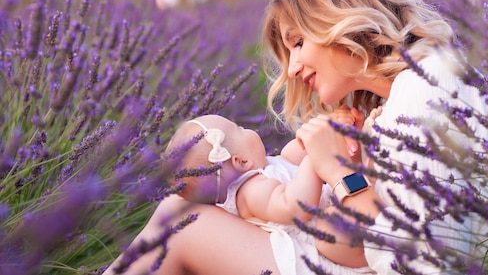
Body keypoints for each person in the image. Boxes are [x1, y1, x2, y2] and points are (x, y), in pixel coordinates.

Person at [104, 0, 488, 275]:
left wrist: (336, 169)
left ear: (338, 23)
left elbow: (420, 262)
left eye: (297, 42)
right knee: (174, 213)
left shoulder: (424, 90)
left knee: (181, 221)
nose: (290, 69)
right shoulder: (413, 91)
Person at [104, 111, 375, 275]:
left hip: (345, 237)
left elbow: (290, 156)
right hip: (315, 252)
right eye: (241, 129)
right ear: (242, 162)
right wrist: (317, 159)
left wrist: (316, 137)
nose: (249, 129)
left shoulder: (266, 170)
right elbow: (296, 205)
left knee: (172, 211)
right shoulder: (252, 191)